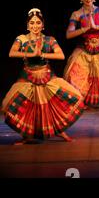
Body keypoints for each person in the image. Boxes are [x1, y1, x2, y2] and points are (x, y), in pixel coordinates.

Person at [1, 8, 85, 145]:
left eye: (38, 23)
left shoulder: (49, 39)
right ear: (28, 25)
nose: (35, 26)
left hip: (46, 75)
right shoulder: (21, 39)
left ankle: (60, 130)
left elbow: (61, 55)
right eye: (32, 23)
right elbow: (12, 53)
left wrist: (42, 55)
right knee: (9, 105)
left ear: (43, 25)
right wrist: (31, 54)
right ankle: (27, 135)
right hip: (28, 76)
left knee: (62, 101)